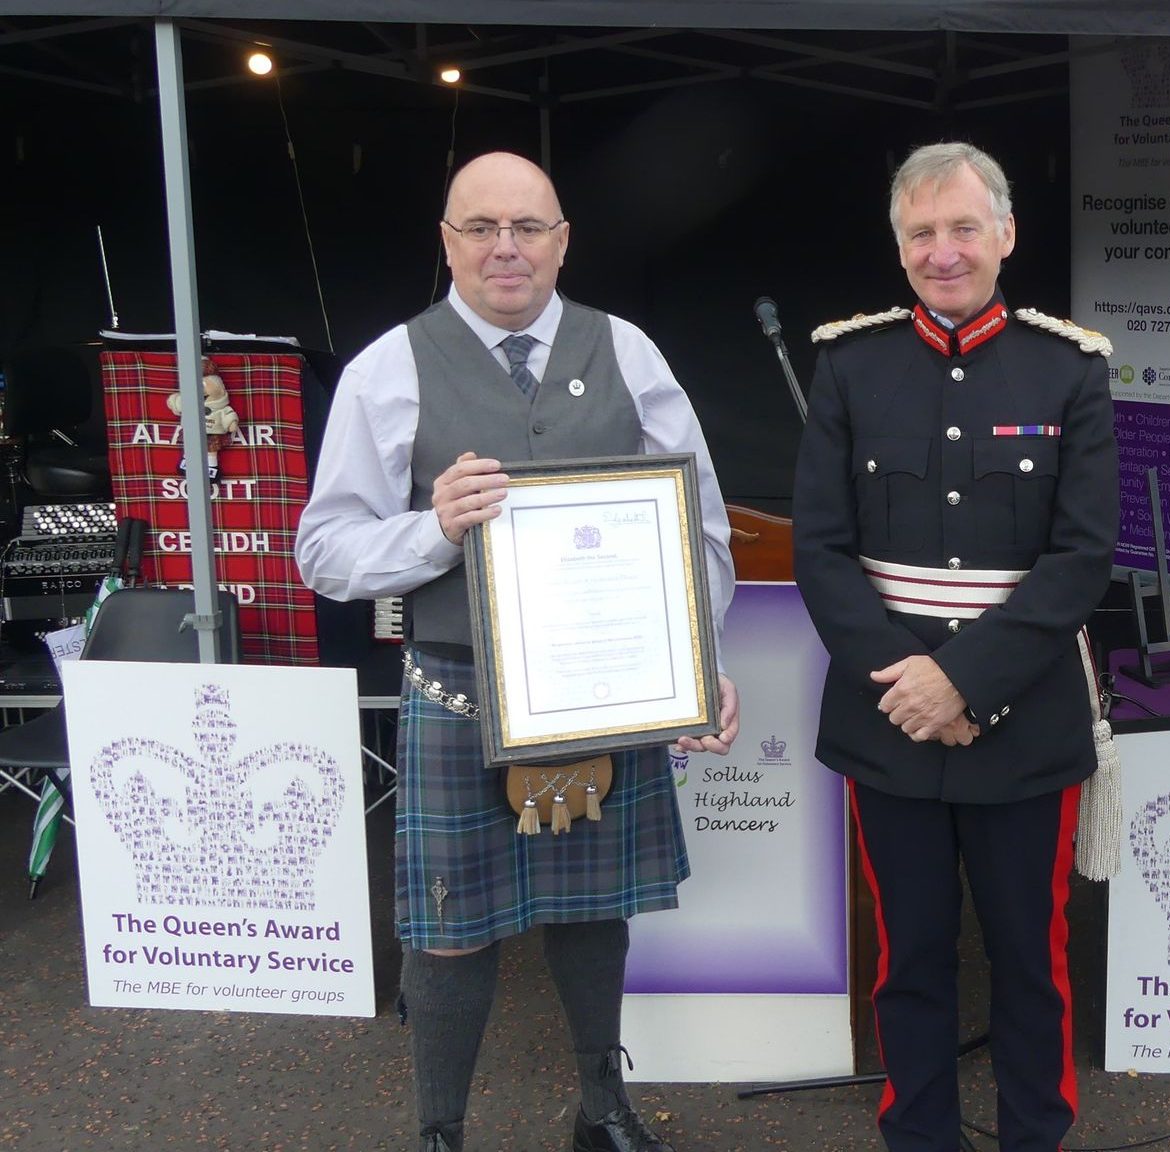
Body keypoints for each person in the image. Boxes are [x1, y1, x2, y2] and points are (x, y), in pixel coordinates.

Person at [295, 151, 738, 1152]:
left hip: (606, 695)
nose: (505, 247)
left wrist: (691, 660)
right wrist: (430, 530)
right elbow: (321, 552)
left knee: (595, 913)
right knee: (448, 932)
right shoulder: (387, 368)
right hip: (458, 693)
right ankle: (440, 1131)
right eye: (480, 227)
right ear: (446, 243)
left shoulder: (627, 351)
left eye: (527, 227)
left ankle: (601, 1108)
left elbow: (698, 531)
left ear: (562, 240)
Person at [792, 141, 1117, 1152]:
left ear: (1005, 234)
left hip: (1021, 721)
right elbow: (820, 548)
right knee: (910, 959)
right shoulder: (849, 364)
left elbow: (1080, 557)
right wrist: (911, 686)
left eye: (962, 228)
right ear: (899, 250)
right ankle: (918, 1136)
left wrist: (965, 682)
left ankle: (1033, 1136)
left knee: (1030, 959)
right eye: (922, 233)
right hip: (888, 720)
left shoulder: (1068, 369)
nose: (943, 252)